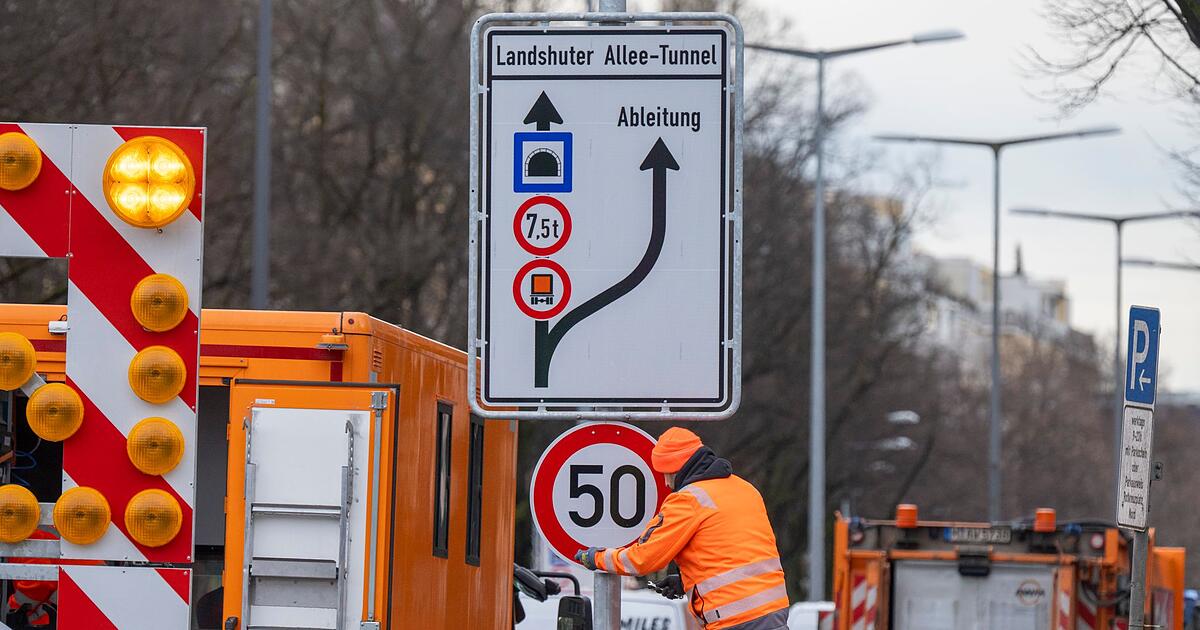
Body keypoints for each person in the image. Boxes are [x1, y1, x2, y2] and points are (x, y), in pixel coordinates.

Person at [574, 427, 789, 630]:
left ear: (674, 469)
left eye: (665, 474)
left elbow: (641, 559)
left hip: (735, 619)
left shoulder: (688, 500)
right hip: (774, 613)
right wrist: (689, 582)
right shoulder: (744, 488)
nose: (667, 484)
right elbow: (735, 553)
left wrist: (596, 558)